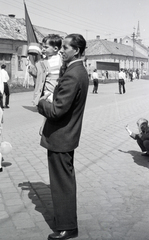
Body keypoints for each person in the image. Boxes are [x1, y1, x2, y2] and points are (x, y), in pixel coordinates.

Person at [37, 34, 89, 240]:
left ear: (76, 50)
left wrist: (42, 102)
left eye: (66, 47)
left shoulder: (72, 74)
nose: (62, 50)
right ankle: (67, 223)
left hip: (61, 137)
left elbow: (57, 111)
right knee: (63, 182)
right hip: (65, 135)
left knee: (62, 184)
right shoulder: (76, 71)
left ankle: (68, 227)